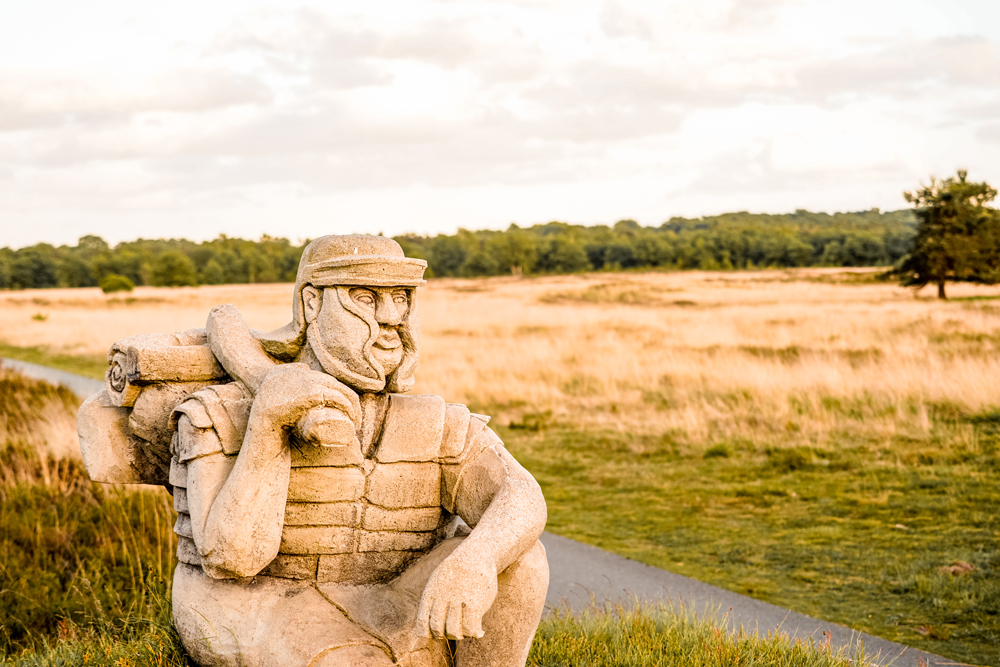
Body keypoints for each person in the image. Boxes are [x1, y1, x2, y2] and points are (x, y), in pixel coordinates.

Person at [167, 235, 549, 667]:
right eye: (364, 298)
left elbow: (520, 494)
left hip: (391, 588)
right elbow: (234, 559)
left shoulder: (438, 423)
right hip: (259, 598)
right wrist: (267, 426)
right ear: (311, 304)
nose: (390, 318)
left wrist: (476, 560)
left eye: (402, 298)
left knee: (519, 560)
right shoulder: (217, 414)